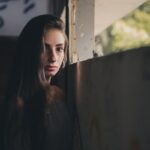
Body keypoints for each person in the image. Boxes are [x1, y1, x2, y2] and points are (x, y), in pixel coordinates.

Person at [0, 14, 74, 150]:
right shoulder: (17, 104)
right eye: (44, 48)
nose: (53, 58)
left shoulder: (59, 96)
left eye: (59, 49)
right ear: (30, 51)